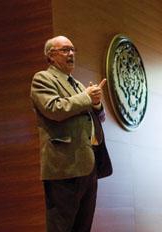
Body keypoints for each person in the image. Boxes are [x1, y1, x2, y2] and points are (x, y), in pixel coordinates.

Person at [30, 35, 110, 232]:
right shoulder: (43, 78)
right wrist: (86, 97)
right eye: (65, 50)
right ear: (50, 56)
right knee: (61, 227)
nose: (71, 54)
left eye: (73, 49)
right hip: (63, 166)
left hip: (87, 164)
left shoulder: (76, 84)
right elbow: (54, 109)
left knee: (83, 226)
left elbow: (97, 117)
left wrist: (97, 103)